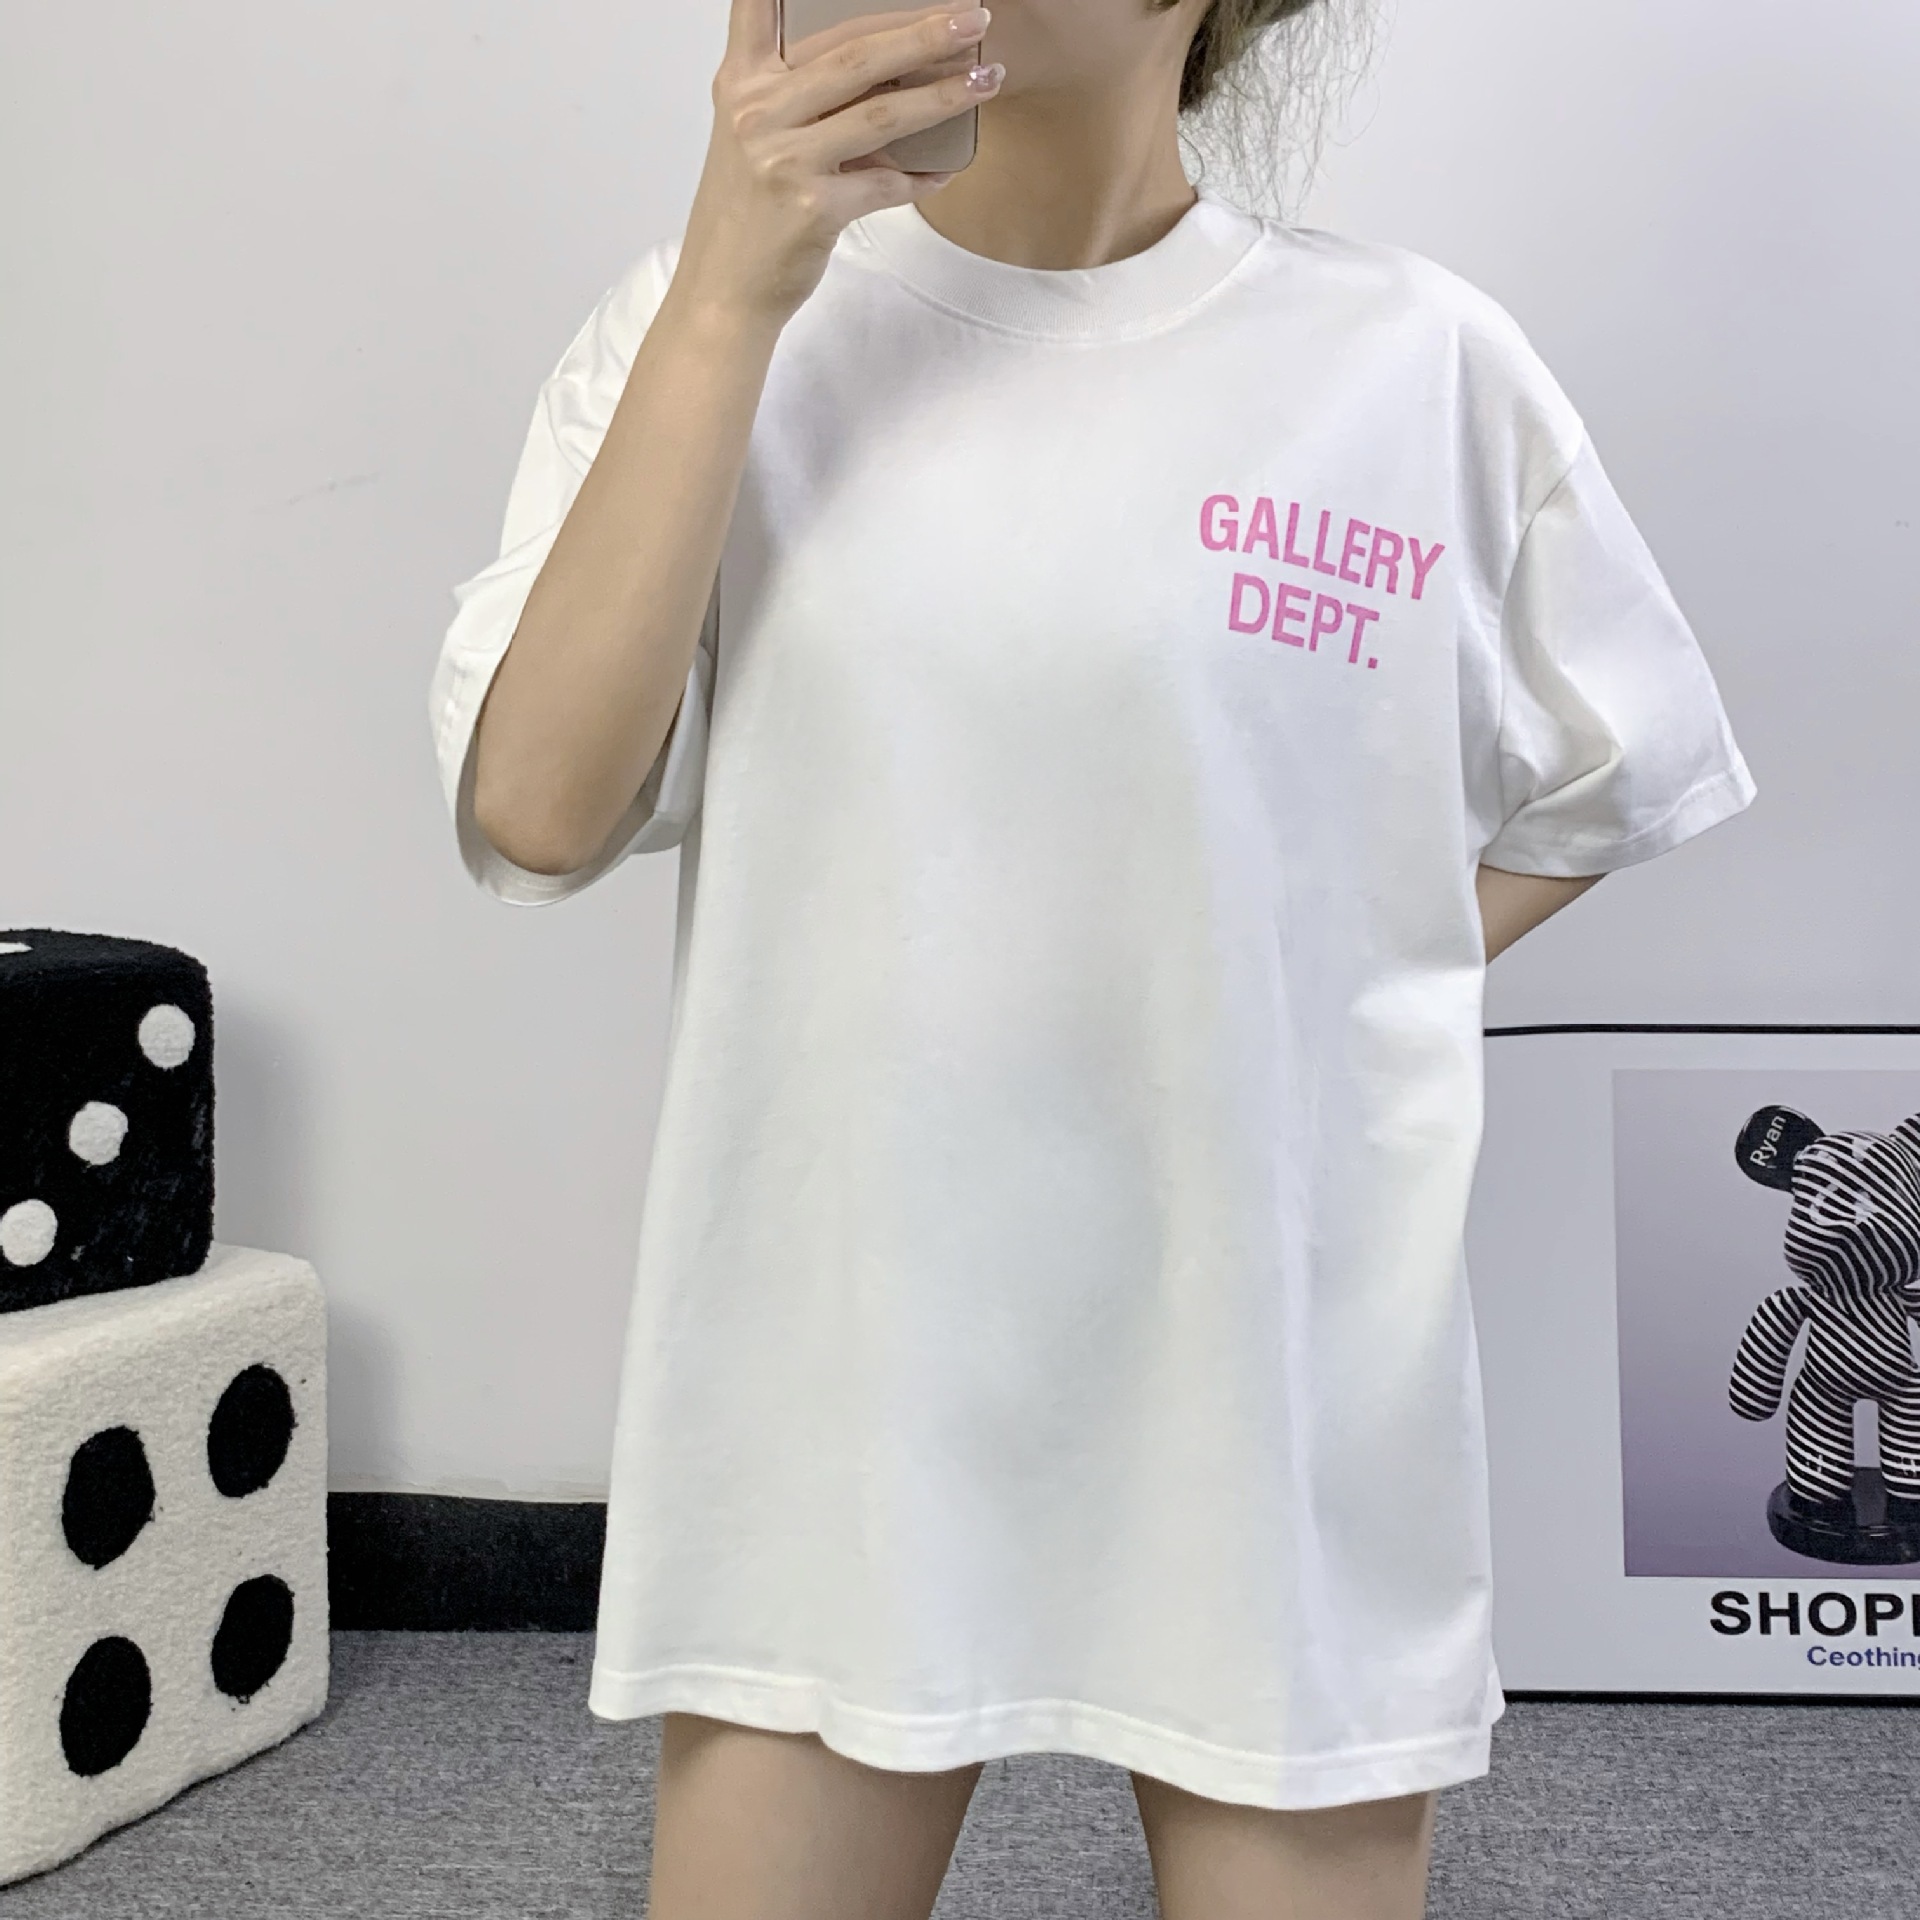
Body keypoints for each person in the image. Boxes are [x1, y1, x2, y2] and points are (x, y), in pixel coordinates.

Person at [427, 2, 1756, 1913]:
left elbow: (1616, 772)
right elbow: (541, 812)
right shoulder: (706, 326)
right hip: (837, 1382)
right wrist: (728, 291)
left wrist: (1316, 979)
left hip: (1265, 1383)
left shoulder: (1411, 364)